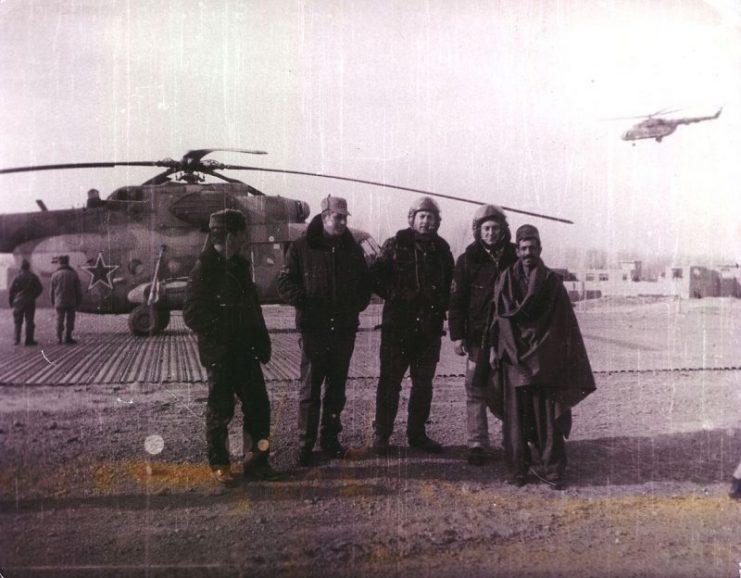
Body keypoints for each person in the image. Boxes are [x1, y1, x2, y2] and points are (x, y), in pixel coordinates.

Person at [478, 224, 595, 489]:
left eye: (532, 247)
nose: (528, 252)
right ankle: (518, 469)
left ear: (540, 249)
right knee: (515, 418)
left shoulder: (552, 283)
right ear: (517, 251)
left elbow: (562, 323)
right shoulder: (506, 278)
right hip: (514, 358)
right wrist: (500, 349)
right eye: (523, 248)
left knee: (547, 416)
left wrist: (550, 354)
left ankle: (553, 470)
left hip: (545, 360)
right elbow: (500, 319)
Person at [183, 209, 277, 484]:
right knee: (220, 412)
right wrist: (227, 333)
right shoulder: (204, 269)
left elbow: (252, 308)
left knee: (259, 407)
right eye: (241, 234)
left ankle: (256, 462)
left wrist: (261, 341)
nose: (245, 239)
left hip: (245, 351)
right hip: (221, 354)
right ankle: (220, 465)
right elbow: (192, 314)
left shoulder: (239, 265)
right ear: (229, 235)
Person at [277, 195, 372, 467]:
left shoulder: (352, 249)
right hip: (314, 330)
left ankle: (330, 440)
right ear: (325, 215)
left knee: (337, 388)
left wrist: (356, 305)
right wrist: (306, 304)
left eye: (345, 217)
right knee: (310, 389)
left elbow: (365, 284)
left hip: (343, 330)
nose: (342, 221)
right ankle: (305, 444)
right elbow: (284, 283)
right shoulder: (301, 247)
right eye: (337, 217)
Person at [371, 196, 454, 454]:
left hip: (428, 330)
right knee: (389, 383)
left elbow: (450, 284)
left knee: (423, 385)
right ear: (412, 218)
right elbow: (375, 276)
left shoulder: (442, 250)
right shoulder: (395, 244)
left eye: (431, 217)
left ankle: (417, 434)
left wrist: (440, 305)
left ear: (437, 222)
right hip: (398, 327)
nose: (426, 221)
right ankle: (382, 436)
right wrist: (395, 295)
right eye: (422, 216)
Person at [448, 205, 517, 465]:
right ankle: (477, 443)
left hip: (509, 338)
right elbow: (456, 300)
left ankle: (513, 440)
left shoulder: (513, 256)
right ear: (478, 230)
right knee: (475, 388)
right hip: (478, 338)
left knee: (510, 389)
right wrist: (458, 336)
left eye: (495, 228)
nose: (490, 233)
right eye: (486, 228)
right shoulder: (467, 260)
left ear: (503, 230)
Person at [8, 258, 43, 346]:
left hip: (18, 301)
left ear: (21, 267)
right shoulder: (33, 276)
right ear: (28, 267)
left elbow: (11, 290)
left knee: (17, 321)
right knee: (29, 320)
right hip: (30, 301)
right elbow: (40, 288)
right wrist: (34, 296)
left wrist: (11, 302)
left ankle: (17, 339)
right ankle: (29, 340)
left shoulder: (16, 277)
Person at [50, 255, 83, 345]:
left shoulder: (55, 275)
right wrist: (79, 301)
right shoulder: (73, 274)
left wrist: (53, 301)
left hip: (59, 301)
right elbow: (78, 290)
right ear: (67, 262)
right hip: (71, 301)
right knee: (70, 320)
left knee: (59, 319)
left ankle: (59, 338)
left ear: (60, 262)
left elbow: (52, 291)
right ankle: (68, 337)